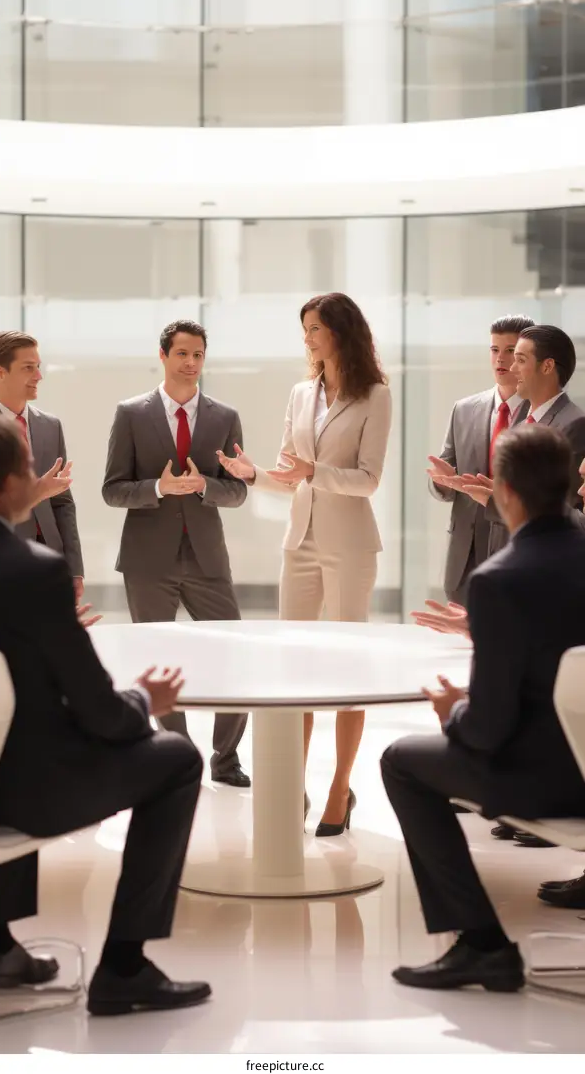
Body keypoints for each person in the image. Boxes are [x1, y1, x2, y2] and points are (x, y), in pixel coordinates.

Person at [0, 416, 210, 1015]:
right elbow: (101, 713)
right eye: (28, 470)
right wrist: (145, 701)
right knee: (177, 759)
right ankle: (125, 968)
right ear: (10, 485)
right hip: (18, 795)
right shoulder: (34, 571)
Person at [381, 425, 585, 992]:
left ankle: (482, 944)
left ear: (505, 492)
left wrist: (454, 712)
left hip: (549, 784)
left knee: (401, 762)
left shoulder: (499, 580)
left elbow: (489, 730)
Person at [218, 292, 392, 834]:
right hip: (300, 544)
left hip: (350, 547)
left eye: (315, 328)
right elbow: (291, 476)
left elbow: (368, 481)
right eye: (306, 329)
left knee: (347, 672)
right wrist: (253, 475)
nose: (308, 338)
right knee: (295, 670)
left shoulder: (376, 395)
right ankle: (292, 785)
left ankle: (341, 787)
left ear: (340, 331)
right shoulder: (301, 393)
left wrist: (313, 472)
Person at [102, 319, 249, 788]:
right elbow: (112, 489)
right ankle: (179, 757)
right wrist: (158, 489)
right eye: (182, 353)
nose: (191, 363)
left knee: (235, 655)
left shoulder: (224, 417)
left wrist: (206, 485)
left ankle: (226, 759)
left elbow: (238, 491)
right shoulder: (131, 413)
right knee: (157, 659)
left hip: (207, 558)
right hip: (148, 561)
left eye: (198, 355)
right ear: (163, 355)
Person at [427, 315, 533, 605]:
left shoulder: (541, 414)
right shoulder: (463, 409)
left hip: (516, 549)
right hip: (466, 554)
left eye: (510, 350)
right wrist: (443, 482)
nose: (501, 359)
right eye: (494, 349)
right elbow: (444, 480)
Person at [458, 325, 585, 555]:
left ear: (547, 366)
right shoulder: (519, 423)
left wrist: (496, 500)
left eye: (520, 360)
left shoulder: (573, 425)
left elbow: (563, 515)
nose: (512, 368)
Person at [0, 330, 84, 602]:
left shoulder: (50, 426)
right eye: (28, 367)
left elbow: (63, 503)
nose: (39, 376)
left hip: (51, 557)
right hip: (0, 561)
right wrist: (38, 492)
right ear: (0, 372)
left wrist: (75, 569)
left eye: (38, 366)